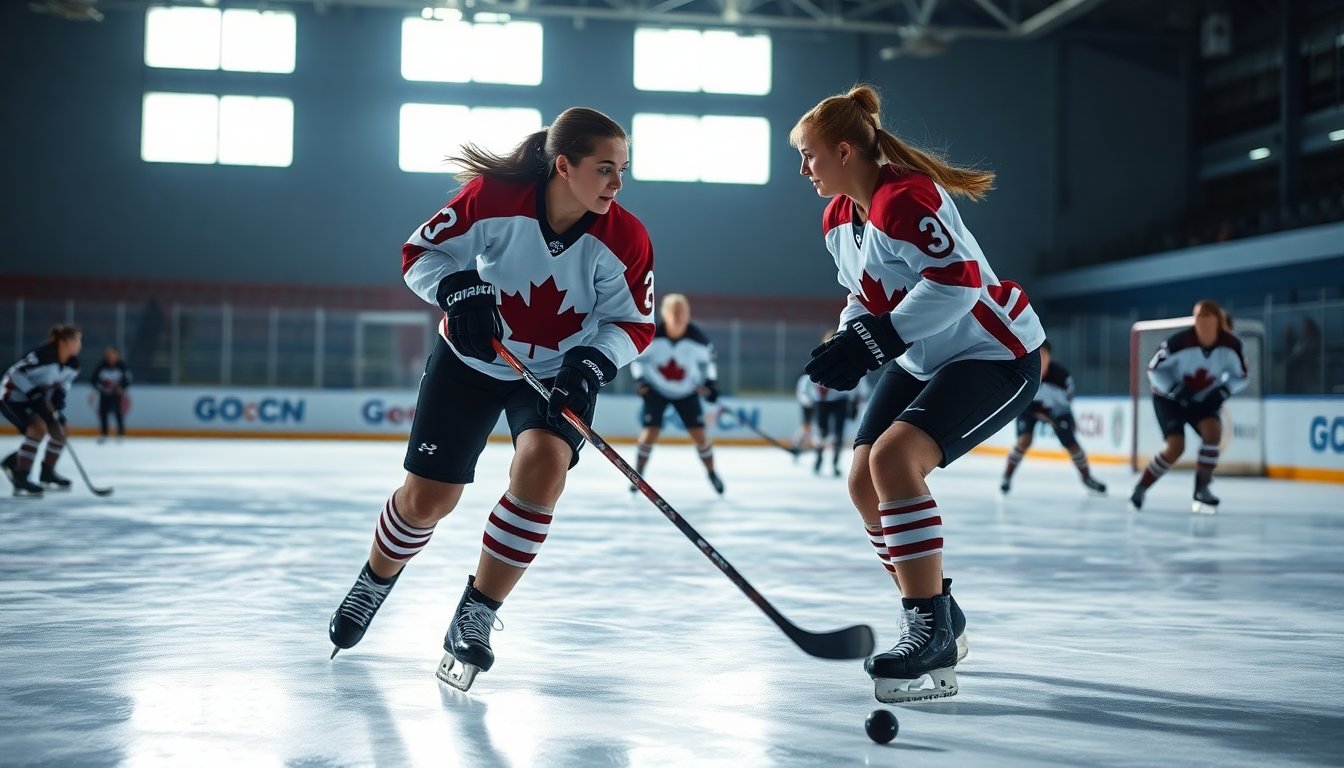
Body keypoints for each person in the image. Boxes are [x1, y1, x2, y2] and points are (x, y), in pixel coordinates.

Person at [327, 108, 655, 692]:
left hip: (557, 375)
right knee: (428, 500)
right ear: (564, 165)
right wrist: (455, 287)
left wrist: (591, 363)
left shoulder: (626, 237)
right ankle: (375, 579)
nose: (617, 183)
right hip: (471, 361)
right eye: (605, 169)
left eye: (623, 169)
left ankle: (475, 613)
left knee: (544, 466)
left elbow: (633, 324)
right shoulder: (495, 196)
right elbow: (420, 255)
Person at [792, 84, 1045, 703]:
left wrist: (878, 340)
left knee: (894, 460)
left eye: (810, 155)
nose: (804, 169)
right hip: (923, 355)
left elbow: (957, 286)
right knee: (861, 480)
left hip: (993, 352)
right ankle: (938, 611)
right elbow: (865, 295)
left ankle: (927, 626)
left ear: (846, 150)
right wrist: (854, 337)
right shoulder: (838, 217)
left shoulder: (906, 197)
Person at [1129, 300, 1248, 515]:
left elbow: (1241, 376)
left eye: (1207, 317)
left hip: (1202, 399)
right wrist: (1175, 390)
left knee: (1213, 432)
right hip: (1168, 399)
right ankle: (1141, 487)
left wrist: (1222, 391)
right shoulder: (1179, 342)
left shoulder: (1232, 346)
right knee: (1175, 447)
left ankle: (1202, 488)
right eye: (1199, 318)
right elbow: (1154, 369)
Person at [629, 293, 723, 494]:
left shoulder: (699, 339)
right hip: (656, 390)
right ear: (664, 313)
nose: (678, 317)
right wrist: (641, 381)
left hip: (687, 391)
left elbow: (708, 364)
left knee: (699, 434)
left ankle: (712, 473)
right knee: (649, 432)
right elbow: (637, 360)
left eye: (682, 312)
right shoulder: (652, 335)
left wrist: (711, 384)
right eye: (674, 312)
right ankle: (637, 474)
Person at [999, 340, 1106, 495]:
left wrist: (1063, 420)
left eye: (1044, 356)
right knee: (1024, 440)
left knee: (1072, 444)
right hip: (1029, 411)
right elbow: (1018, 401)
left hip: (1056, 413)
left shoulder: (1062, 378)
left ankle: (1087, 477)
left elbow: (1066, 405)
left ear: (1050, 357)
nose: (1041, 361)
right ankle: (1007, 476)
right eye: (1037, 356)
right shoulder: (1025, 373)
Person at [1, 325, 82, 497]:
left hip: (36, 400)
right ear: (63, 342)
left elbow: (62, 385)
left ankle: (46, 473)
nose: (79, 344)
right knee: (38, 428)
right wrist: (33, 393)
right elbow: (16, 374)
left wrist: (57, 399)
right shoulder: (44, 355)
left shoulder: (73, 364)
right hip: (13, 397)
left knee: (62, 430)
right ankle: (21, 476)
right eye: (76, 340)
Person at [805, 331, 872, 477]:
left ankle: (835, 463)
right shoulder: (820, 357)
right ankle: (819, 458)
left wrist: (857, 401)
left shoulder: (848, 356)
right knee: (822, 432)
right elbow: (809, 382)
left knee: (838, 433)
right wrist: (810, 399)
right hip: (822, 402)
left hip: (840, 401)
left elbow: (859, 379)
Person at [92, 346, 133, 443]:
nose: (109, 356)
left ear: (117, 354)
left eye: (111, 353)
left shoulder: (122, 366)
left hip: (116, 394)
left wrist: (121, 388)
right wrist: (101, 389)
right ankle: (104, 434)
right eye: (107, 353)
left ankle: (120, 434)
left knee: (118, 413)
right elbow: (94, 380)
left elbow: (129, 379)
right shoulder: (101, 366)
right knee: (103, 413)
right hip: (104, 394)